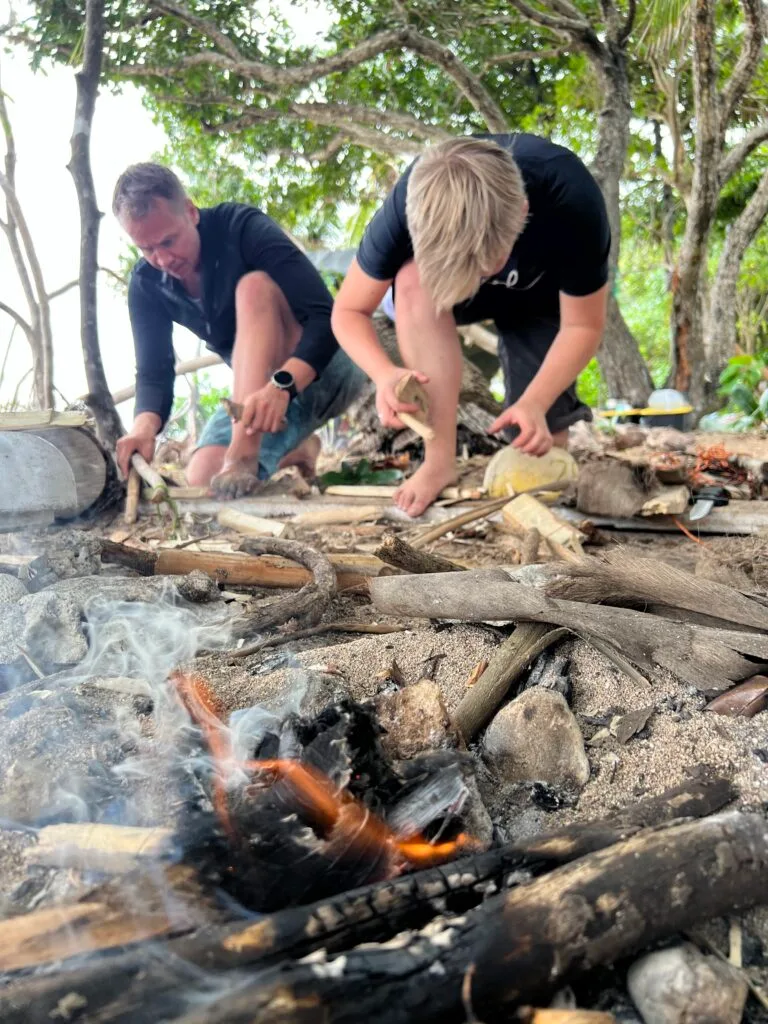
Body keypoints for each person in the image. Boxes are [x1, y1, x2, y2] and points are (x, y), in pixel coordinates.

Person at [331, 134, 610, 518]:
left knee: (541, 445)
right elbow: (347, 311)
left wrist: (536, 401)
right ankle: (439, 458)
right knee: (411, 280)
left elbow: (584, 326)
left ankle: (536, 410)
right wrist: (383, 375)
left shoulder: (572, 200)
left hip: (541, 296)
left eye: (482, 268)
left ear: (523, 212)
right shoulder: (407, 203)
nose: (479, 278)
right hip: (437, 287)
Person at [113, 163, 365, 498]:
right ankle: (301, 448)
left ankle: (244, 454)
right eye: (147, 249)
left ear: (191, 211)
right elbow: (154, 372)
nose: (162, 259)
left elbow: (323, 317)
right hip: (259, 397)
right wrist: (143, 429)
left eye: (168, 241)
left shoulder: (239, 228)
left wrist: (282, 385)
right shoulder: (146, 283)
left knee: (254, 288)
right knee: (203, 478)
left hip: (327, 369)